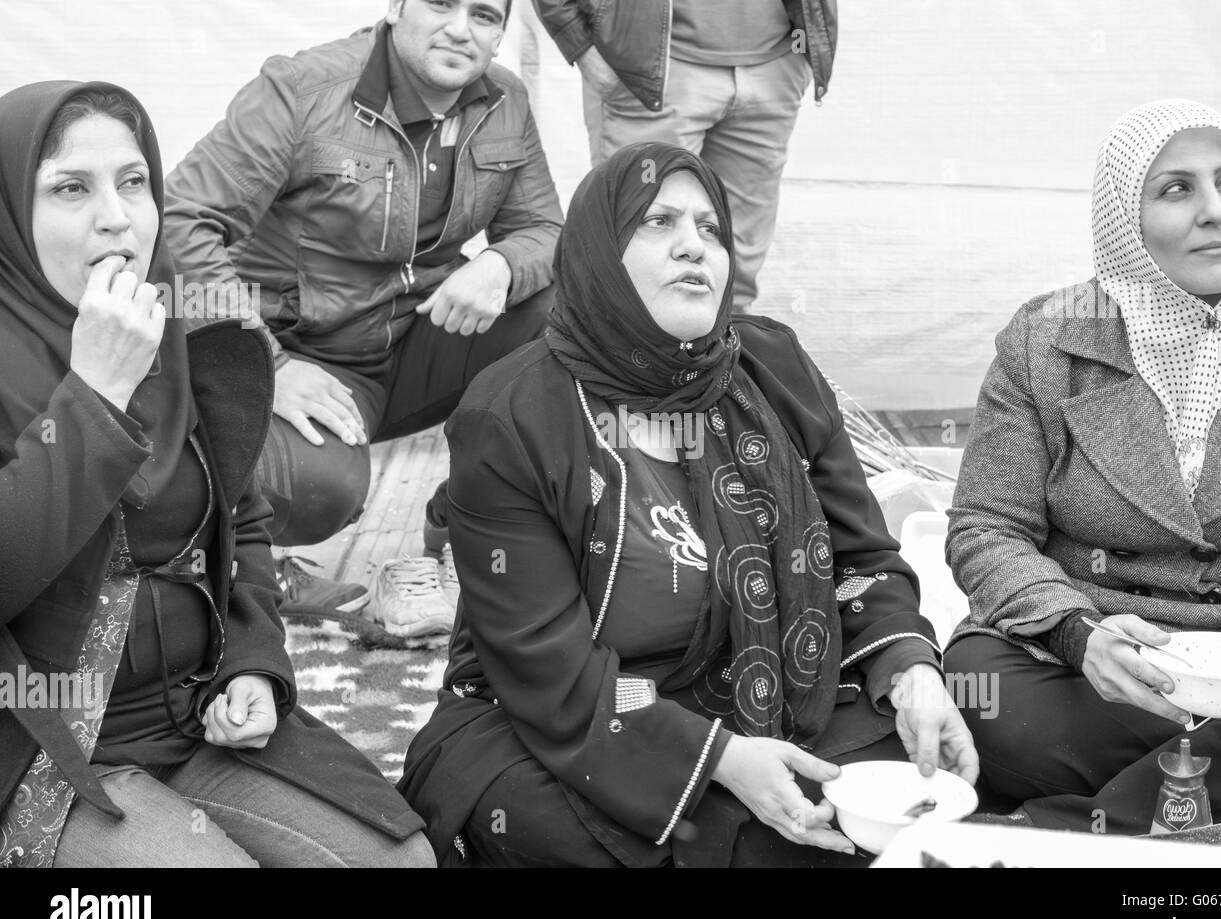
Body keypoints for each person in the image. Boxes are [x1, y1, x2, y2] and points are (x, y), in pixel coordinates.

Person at [398, 142, 976, 867]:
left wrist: (910, 671)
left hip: (775, 690)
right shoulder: (514, 416)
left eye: (710, 229)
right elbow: (549, 667)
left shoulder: (776, 369)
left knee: (907, 776)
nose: (692, 247)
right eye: (658, 222)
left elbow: (860, 565)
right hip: (580, 715)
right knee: (568, 831)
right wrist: (721, 759)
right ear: (599, 254)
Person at [0, 80, 436, 867]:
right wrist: (93, 397)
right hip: (47, 740)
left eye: (134, 182)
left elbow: (246, 525)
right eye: (70, 188)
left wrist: (254, 665)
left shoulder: (184, 338)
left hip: (192, 717)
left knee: (399, 861)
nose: (116, 215)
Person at [944, 99, 1221, 845]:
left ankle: (1066, 836)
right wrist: (1079, 634)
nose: (1216, 212)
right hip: (1097, 668)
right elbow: (987, 527)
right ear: (1122, 222)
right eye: (1177, 189)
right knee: (983, 694)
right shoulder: (1047, 340)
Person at [164, 0, 564, 636]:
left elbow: (544, 229)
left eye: (485, 15)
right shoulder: (300, 91)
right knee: (325, 490)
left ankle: (469, 517)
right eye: (441, 4)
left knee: (559, 317)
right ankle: (241, 563)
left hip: (411, 342)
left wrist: (501, 267)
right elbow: (182, 220)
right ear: (397, 6)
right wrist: (268, 363)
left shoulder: (504, 101)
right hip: (299, 355)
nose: (461, 29)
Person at [531, 0, 836, 313]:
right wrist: (580, 45)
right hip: (651, 70)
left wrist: (802, 54)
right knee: (637, 268)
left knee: (735, 274)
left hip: (773, 63)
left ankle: (722, 360)